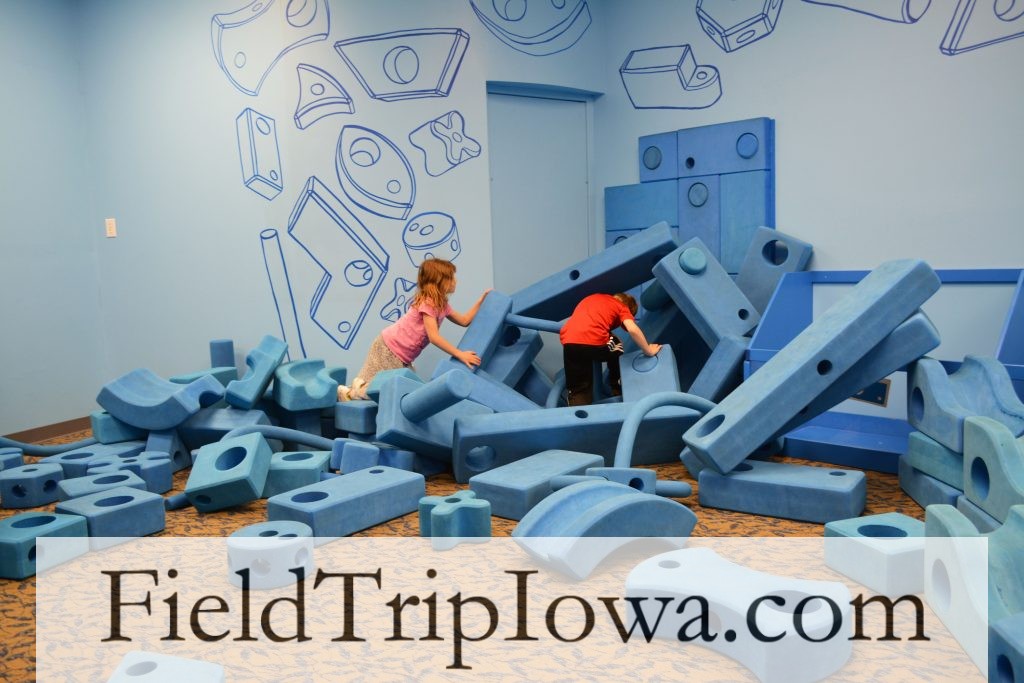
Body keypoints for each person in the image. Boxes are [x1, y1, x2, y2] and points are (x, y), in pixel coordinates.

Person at [338, 258, 490, 400]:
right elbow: (434, 337)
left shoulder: (442, 305)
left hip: (401, 355)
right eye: (451, 277)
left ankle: (353, 389)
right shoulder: (428, 303)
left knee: (405, 389)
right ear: (439, 280)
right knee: (388, 389)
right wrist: (460, 354)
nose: (455, 281)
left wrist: (481, 300)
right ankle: (351, 392)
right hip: (389, 348)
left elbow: (464, 321)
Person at [559, 292, 661, 406]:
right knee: (617, 345)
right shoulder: (622, 307)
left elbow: (587, 324)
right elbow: (632, 329)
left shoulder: (593, 298)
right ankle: (617, 387)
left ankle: (576, 412)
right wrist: (648, 350)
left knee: (578, 388)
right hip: (593, 340)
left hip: (569, 341)